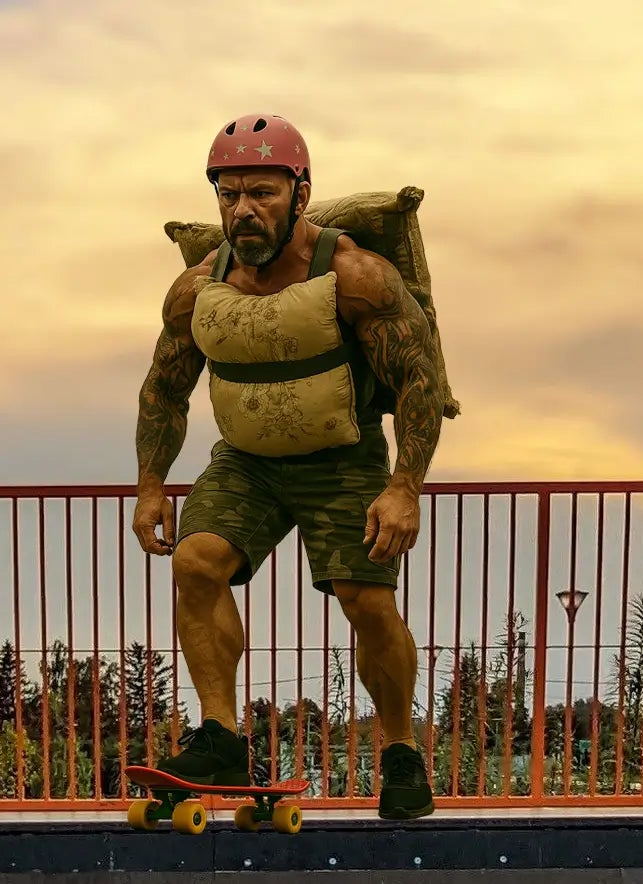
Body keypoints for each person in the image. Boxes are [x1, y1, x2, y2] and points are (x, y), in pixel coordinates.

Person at [131, 112, 444, 819]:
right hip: (247, 462)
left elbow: (418, 381)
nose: (244, 209)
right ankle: (219, 736)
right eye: (229, 193)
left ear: (300, 194)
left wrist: (404, 486)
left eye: (263, 192)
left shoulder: (358, 276)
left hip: (342, 458)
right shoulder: (195, 290)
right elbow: (164, 386)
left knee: (366, 602)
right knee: (196, 561)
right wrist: (151, 484)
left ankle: (399, 751)